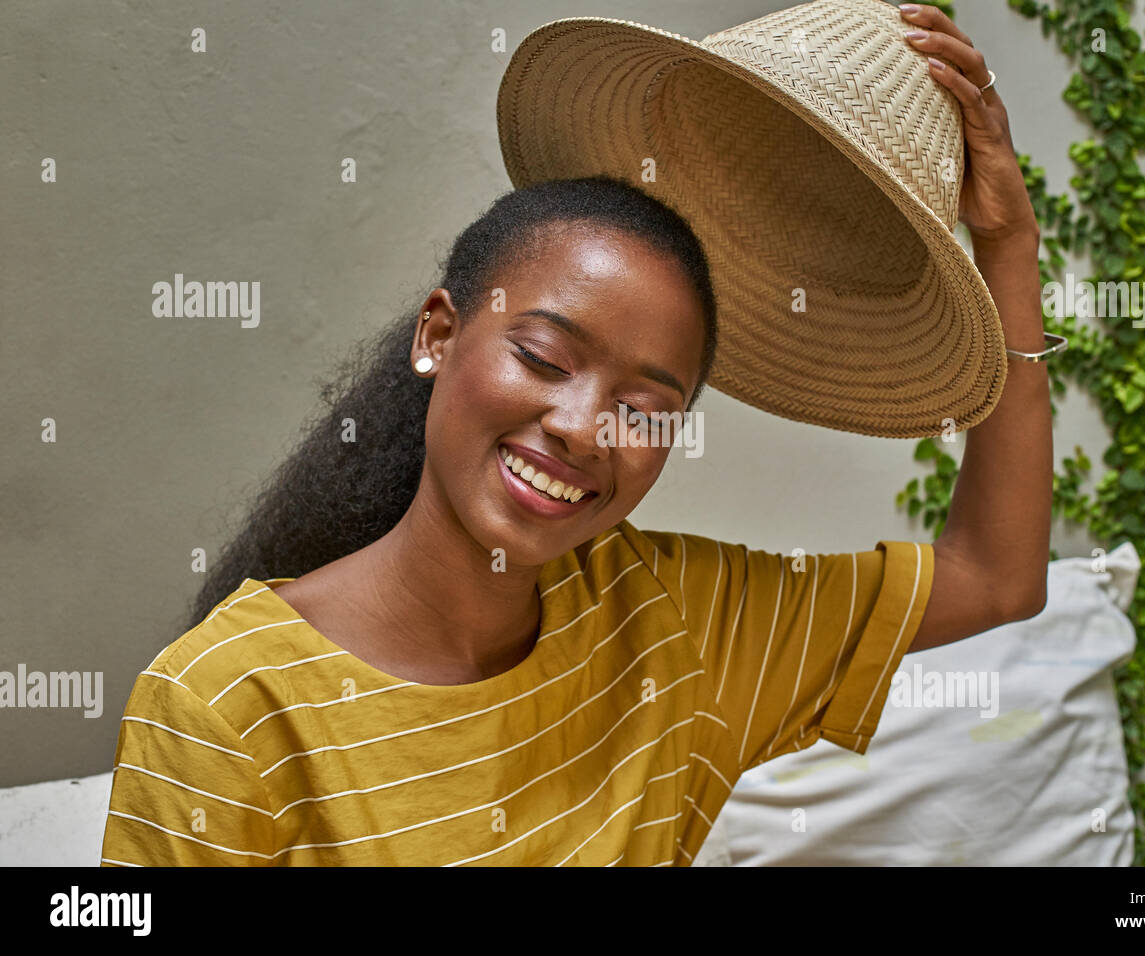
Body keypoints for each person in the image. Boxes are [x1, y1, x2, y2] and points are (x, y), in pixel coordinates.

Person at [100, 4, 1052, 866]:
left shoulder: (673, 623)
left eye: (645, 408)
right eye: (546, 359)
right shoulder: (223, 704)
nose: (583, 427)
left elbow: (996, 577)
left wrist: (1009, 247)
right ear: (439, 334)